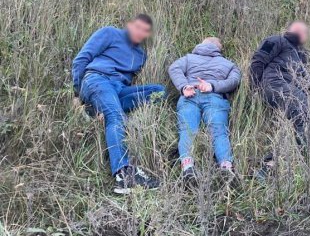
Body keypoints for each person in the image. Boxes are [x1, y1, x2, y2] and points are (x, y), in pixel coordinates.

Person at [72, 14, 166, 194]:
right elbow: (81, 59)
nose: (140, 32)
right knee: (116, 117)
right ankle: (124, 174)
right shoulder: (110, 33)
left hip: (118, 90)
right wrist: (78, 93)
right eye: (137, 27)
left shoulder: (141, 55)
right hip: (97, 80)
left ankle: (96, 111)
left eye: (145, 31)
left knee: (159, 91)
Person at [168, 37, 241, 184]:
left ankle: (188, 167)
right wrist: (212, 86)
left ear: (201, 45)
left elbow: (173, 68)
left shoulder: (188, 58)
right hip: (215, 98)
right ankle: (226, 167)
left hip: (190, 94)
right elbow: (234, 81)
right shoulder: (229, 64)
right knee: (219, 132)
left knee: (187, 130)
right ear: (218, 49)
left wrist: (183, 87)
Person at [249, 21, 310, 179]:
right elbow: (258, 61)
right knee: (302, 117)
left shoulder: (298, 55)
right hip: (277, 84)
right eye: (305, 32)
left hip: (291, 90)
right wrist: (255, 88)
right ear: (299, 31)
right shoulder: (277, 40)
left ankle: (269, 167)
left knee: (293, 126)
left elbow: (305, 81)